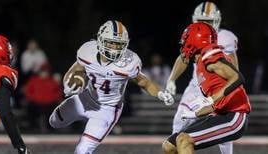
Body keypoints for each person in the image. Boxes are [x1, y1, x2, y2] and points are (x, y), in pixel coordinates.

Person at [49, 20, 174, 154]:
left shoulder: (129, 62)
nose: (114, 48)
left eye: (118, 44)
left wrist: (160, 93)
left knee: (82, 150)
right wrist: (68, 82)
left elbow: (145, 82)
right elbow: (76, 68)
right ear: (101, 40)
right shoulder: (87, 51)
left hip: (107, 110)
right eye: (111, 43)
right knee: (54, 121)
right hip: (84, 98)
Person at [162, 22, 250, 154]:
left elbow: (237, 77)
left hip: (234, 115)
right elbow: (216, 104)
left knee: (184, 140)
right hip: (220, 113)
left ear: (194, 41)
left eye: (186, 41)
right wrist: (195, 114)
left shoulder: (209, 56)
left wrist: (212, 99)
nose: (183, 46)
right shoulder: (201, 64)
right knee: (169, 145)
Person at [0, 34, 29, 154]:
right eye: (7, 49)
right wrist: (21, 146)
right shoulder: (3, 71)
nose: (10, 52)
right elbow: (4, 113)